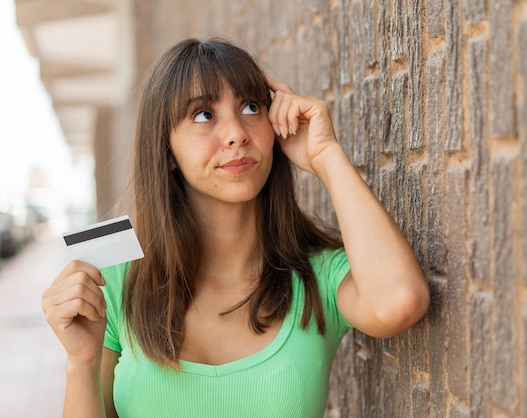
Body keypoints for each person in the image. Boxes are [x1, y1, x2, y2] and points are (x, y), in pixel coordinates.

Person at [41, 38, 430, 418]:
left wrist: (326, 156)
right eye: (204, 115)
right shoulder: (116, 281)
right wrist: (80, 362)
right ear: (167, 150)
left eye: (250, 107)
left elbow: (399, 302)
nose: (236, 133)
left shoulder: (316, 276)